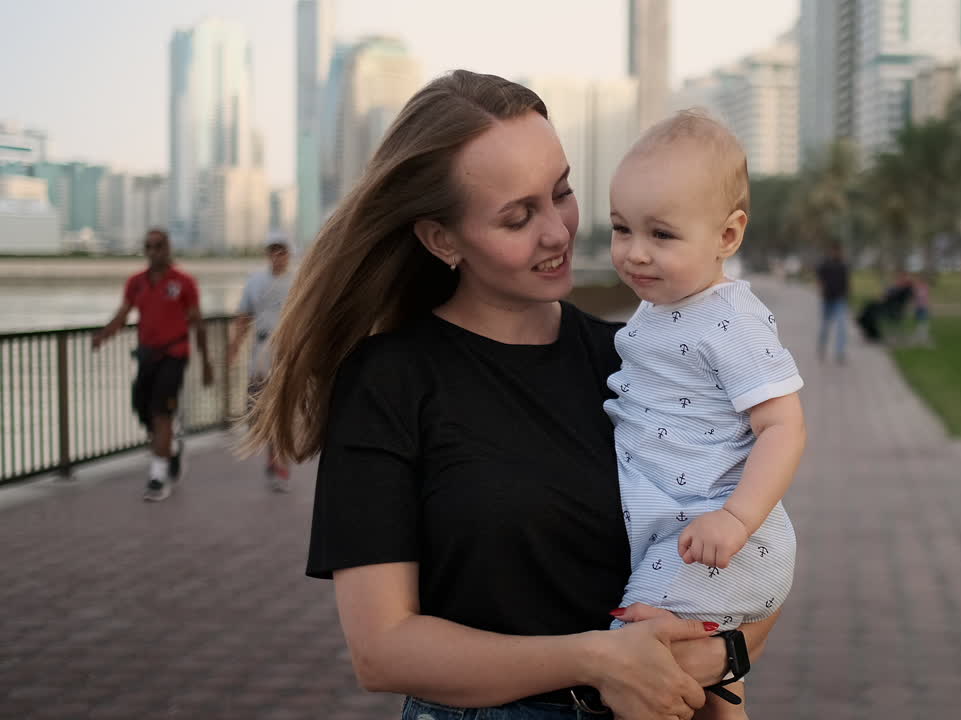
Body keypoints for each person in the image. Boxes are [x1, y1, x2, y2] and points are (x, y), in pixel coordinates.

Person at [242, 70, 780, 720]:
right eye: (518, 216)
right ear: (441, 239)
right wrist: (596, 660)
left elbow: (739, 563)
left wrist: (723, 667)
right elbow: (381, 651)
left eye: (563, 193)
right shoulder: (388, 381)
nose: (557, 232)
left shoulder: (634, 362)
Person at [606, 111, 806, 720]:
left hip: (716, 542)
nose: (635, 253)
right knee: (714, 696)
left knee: (636, 668)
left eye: (662, 235)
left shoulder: (729, 320)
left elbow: (784, 426)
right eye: (621, 229)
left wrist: (736, 520)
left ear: (727, 235)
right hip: (682, 536)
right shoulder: (662, 307)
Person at [92, 228, 213, 502]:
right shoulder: (136, 283)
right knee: (142, 408)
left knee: (161, 412)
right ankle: (170, 449)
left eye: (159, 245)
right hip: (148, 357)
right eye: (149, 246)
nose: (154, 251)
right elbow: (122, 315)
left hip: (174, 354)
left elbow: (198, 323)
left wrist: (207, 363)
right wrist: (103, 336)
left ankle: (158, 477)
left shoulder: (184, 282)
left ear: (168, 248)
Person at [229, 232, 296, 491]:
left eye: (282, 251)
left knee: (283, 410)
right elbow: (244, 314)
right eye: (273, 250)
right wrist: (234, 345)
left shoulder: (299, 281)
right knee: (259, 409)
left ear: (289, 254)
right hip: (260, 352)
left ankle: (281, 463)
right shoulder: (255, 281)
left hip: (287, 353)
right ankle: (273, 454)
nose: (277, 256)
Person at [814, 244, 850, 364]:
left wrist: (847, 296)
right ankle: (822, 348)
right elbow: (819, 279)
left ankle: (840, 353)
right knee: (825, 326)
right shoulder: (825, 264)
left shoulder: (843, 265)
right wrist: (821, 290)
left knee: (841, 327)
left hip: (839, 300)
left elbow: (847, 283)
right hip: (827, 299)